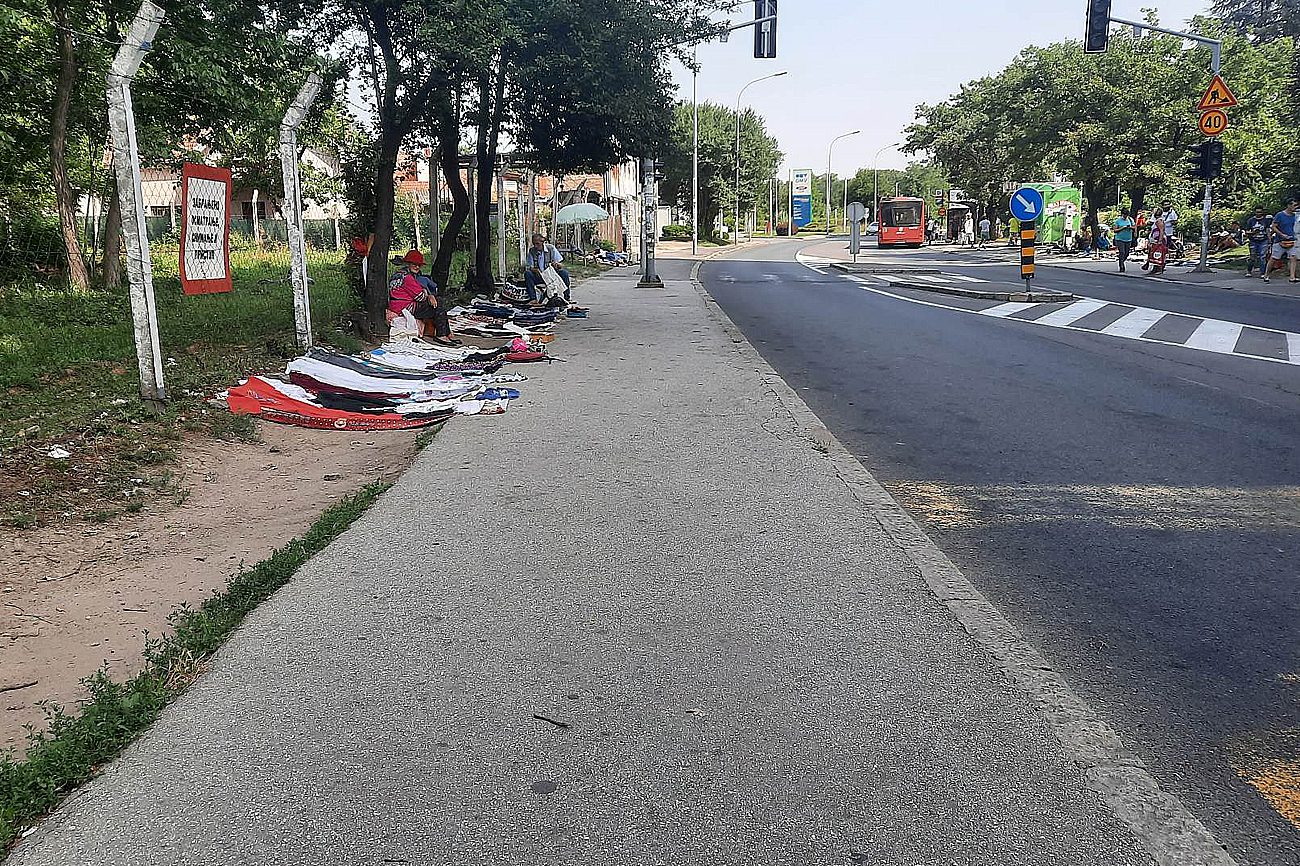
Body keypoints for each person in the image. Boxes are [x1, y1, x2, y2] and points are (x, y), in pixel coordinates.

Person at [387, 249, 458, 346]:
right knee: (438, 304)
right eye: (414, 264)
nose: (417, 267)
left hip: (397, 305)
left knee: (437, 302)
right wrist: (427, 293)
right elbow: (420, 297)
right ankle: (442, 334)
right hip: (404, 307)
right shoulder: (407, 278)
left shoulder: (398, 275)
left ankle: (446, 332)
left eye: (419, 265)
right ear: (408, 263)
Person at [525, 233, 571, 303]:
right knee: (528, 274)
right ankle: (533, 299)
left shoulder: (551, 248)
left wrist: (557, 265)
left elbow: (560, 264)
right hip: (539, 276)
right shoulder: (532, 251)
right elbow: (529, 267)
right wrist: (534, 270)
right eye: (534, 244)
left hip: (551, 276)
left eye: (537, 244)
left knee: (564, 273)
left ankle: (567, 298)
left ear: (542, 242)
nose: (536, 246)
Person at [1264, 197, 1299, 283]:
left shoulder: (1296, 216)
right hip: (1280, 241)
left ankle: (1292, 277)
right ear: (1289, 205)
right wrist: (1282, 235)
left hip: (1292, 240)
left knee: (1293, 257)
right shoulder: (1280, 215)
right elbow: (1274, 226)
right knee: (1274, 258)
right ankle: (1266, 274)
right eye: (1294, 205)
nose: (1296, 207)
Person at [1246, 207, 1272, 276]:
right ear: (1255, 212)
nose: (1258, 213)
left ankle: (1262, 273)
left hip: (1263, 240)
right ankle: (1249, 271)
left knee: (1262, 257)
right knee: (1252, 256)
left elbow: (1267, 231)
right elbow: (1247, 231)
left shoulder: (1265, 220)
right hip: (1253, 241)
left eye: (1260, 212)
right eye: (1257, 212)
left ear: (1262, 212)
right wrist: (1253, 232)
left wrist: (1269, 240)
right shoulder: (1251, 220)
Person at [1143, 208, 1166, 274]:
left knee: (1158, 254)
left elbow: (1161, 231)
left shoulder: (1159, 221)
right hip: (1155, 239)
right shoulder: (1157, 221)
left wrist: (1160, 240)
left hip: (1158, 239)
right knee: (1154, 254)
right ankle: (1155, 268)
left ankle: (1159, 269)